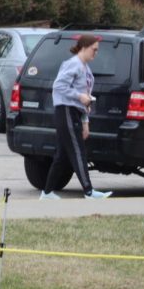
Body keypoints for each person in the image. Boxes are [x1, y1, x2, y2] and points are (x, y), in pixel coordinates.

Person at [40, 34, 113, 200]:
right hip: (66, 110)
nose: (96, 53)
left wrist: (85, 121)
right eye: (94, 50)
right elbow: (58, 86)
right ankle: (89, 191)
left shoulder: (86, 69)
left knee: (62, 155)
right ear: (84, 47)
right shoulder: (73, 64)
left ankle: (47, 192)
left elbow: (86, 97)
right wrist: (79, 96)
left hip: (75, 112)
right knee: (78, 151)